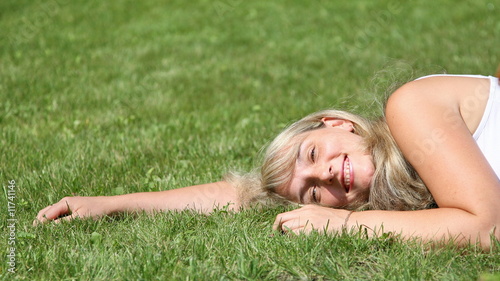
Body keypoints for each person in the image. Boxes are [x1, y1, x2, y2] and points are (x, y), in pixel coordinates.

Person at [35, 73, 500, 249]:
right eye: (313, 193)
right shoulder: (405, 195)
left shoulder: (409, 107)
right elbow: (240, 195)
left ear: (338, 123)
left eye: (312, 153)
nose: (323, 174)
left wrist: (343, 227)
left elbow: (486, 227)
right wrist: (110, 204)